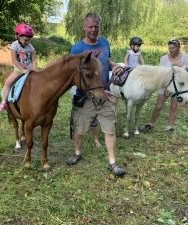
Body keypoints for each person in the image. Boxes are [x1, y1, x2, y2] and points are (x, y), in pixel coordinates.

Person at [67, 11, 126, 176]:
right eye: (90, 26)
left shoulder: (105, 43)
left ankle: (112, 162)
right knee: (79, 128)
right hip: (84, 96)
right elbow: (74, 74)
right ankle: (77, 153)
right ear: (84, 26)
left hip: (105, 94)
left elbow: (107, 61)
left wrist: (116, 67)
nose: (93, 30)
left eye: (96, 26)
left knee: (109, 129)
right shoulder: (78, 48)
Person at [141, 38, 188, 135]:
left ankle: (170, 127)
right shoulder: (164, 58)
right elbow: (161, 75)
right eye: (169, 48)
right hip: (165, 85)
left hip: (178, 87)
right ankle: (151, 124)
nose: (171, 50)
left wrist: (181, 66)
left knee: (174, 107)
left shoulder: (184, 57)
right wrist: (164, 88)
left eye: (173, 48)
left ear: (178, 48)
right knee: (158, 106)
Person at [0, 24, 37, 112]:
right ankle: (4, 102)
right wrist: (23, 70)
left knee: (42, 80)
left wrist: (35, 69)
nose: (27, 42)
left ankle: (54, 101)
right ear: (19, 36)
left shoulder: (30, 47)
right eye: (26, 40)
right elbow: (14, 60)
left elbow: (34, 60)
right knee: (7, 83)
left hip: (29, 69)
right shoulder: (14, 45)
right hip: (19, 69)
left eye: (29, 40)